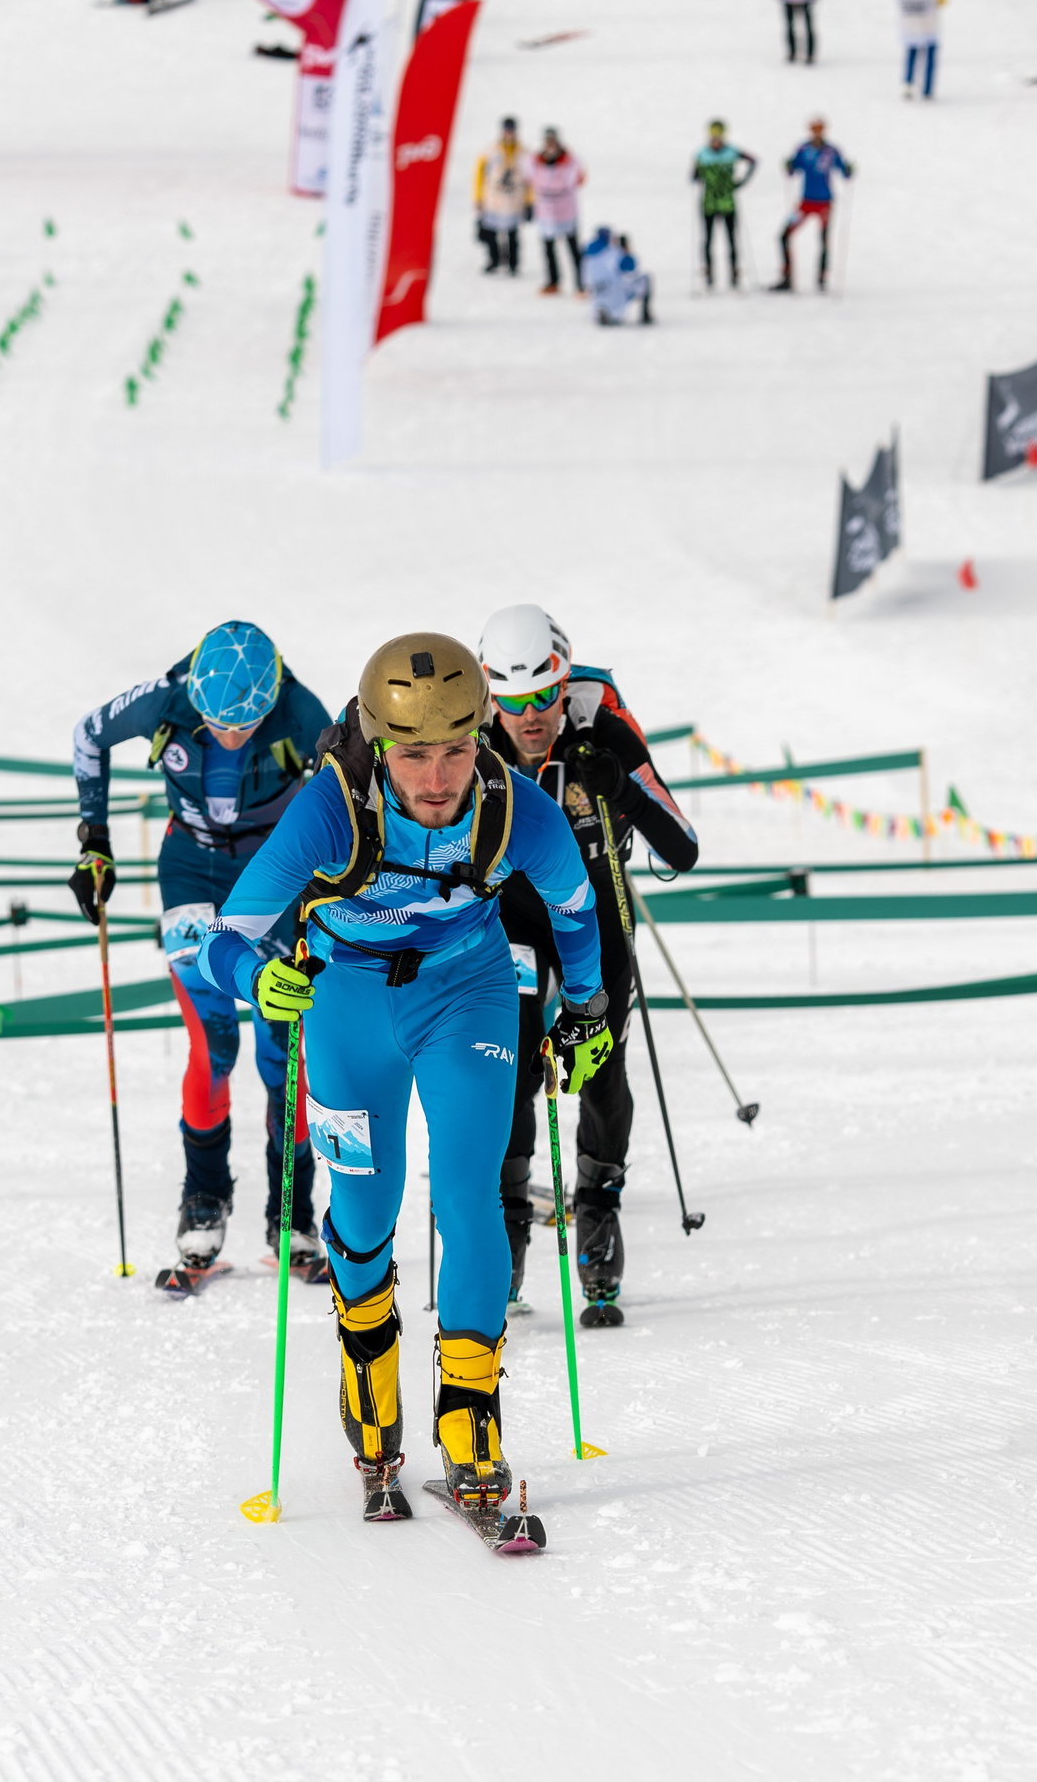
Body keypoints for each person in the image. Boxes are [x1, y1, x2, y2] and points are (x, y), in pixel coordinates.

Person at [197, 634, 610, 1523]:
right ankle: (371, 1401)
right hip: (346, 1006)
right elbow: (224, 939)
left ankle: (471, 1426)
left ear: (480, 738)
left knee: (468, 1198)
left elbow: (577, 912)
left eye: (456, 750)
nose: (437, 777)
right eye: (414, 754)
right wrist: (254, 980)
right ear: (380, 747)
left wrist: (587, 1009)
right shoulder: (329, 811)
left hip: (469, 994)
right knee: (362, 1214)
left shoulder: (513, 809)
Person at [68, 623, 334, 1280]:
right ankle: (204, 1200)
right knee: (212, 1044)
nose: (227, 737)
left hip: (275, 874)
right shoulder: (167, 698)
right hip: (190, 869)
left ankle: (292, 1216)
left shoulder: (303, 713)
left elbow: (343, 796)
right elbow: (87, 735)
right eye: (216, 724)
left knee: (284, 1049)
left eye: (242, 727)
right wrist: (93, 838)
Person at [479, 607, 699, 1319]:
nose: (530, 716)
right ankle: (508, 1223)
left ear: (563, 681)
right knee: (506, 1066)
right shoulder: (469, 731)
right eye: (511, 702)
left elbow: (683, 847)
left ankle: (598, 1208)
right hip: (510, 918)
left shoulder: (599, 715)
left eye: (543, 696)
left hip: (595, 909)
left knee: (599, 1064)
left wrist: (621, 787)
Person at [773, 118, 851, 293]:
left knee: (823, 239)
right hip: (806, 202)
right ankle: (787, 277)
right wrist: (788, 166)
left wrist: (849, 169)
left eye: (819, 129)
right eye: (814, 129)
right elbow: (793, 169)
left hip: (824, 202)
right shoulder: (803, 149)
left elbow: (843, 171)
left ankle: (822, 279)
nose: (817, 133)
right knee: (784, 235)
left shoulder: (831, 151)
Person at [691, 120, 758, 290]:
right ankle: (709, 275)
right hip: (709, 204)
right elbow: (694, 176)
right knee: (707, 241)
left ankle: (734, 274)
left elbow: (753, 160)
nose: (715, 141)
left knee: (731, 240)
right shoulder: (702, 154)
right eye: (713, 137)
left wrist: (741, 182)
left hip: (727, 203)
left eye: (718, 137)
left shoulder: (731, 152)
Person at [526, 127, 586, 295]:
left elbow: (580, 178)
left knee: (573, 248)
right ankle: (553, 281)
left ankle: (581, 284)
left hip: (566, 210)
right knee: (548, 248)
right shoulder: (535, 161)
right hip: (545, 211)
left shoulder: (570, 161)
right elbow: (528, 179)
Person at [474, 118, 529, 276]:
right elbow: (478, 174)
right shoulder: (490, 151)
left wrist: (530, 201)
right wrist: (478, 197)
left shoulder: (523, 152)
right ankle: (494, 260)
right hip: (493, 198)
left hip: (514, 199)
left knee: (512, 233)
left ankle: (513, 263)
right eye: (507, 129)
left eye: (511, 129)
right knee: (491, 232)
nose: (509, 133)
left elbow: (530, 179)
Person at [580, 227, 653, 326]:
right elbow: (631, 267)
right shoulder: (613, 252)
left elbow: (584, 282)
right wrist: (626, 252)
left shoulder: (586, 256)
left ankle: (602, 311)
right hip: (616, 297)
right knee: (645, 279)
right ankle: (645, 316)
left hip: (596, 300)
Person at [898, 0, 946, 99]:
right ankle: (927, 89)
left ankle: (908, 84)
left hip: (910, 25)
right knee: (930, 58)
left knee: (911, 54)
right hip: (928, 25)